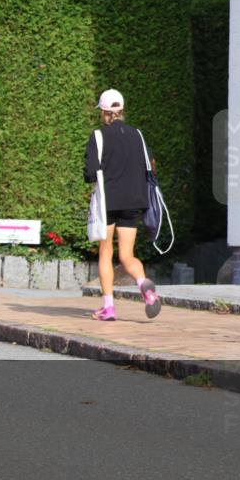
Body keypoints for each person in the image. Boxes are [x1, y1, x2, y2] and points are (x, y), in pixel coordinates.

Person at [84, 89, 161, 321]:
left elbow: (89, 173)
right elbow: (150, 166)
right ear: (122, 111)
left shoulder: (98, 136)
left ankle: (108, 307)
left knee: (105, 254)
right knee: (127, 255)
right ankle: (145, 288)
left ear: (105, 113)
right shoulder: (137, 135)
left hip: (108, 202)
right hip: (133, 201)